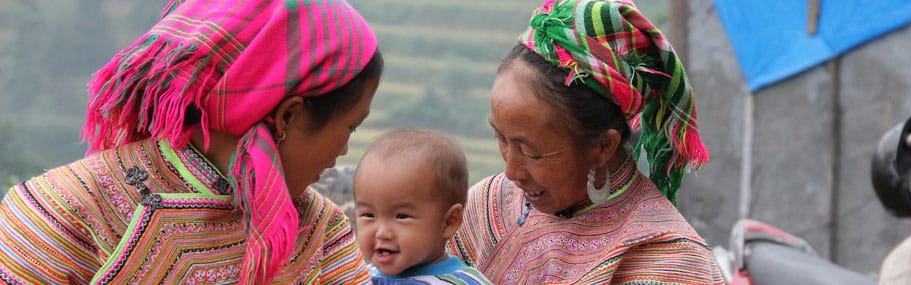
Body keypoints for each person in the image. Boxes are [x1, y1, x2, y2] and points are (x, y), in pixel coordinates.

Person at [0, 0, 382, 284]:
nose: (344, 153)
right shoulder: (66, 213)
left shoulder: (321, 230)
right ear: (288, 116)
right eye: (349, 127)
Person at [447, 0, 726, 283]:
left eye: (531, 152)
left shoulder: (669, 265)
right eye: (502, 139)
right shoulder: (487, 208)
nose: (511, 172)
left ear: (603, 146)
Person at [353, 130, 492, 284]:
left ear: (449, 222)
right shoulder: (359, 279)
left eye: (401, 216)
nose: (382, 233)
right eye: (368, 215)